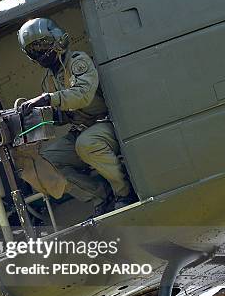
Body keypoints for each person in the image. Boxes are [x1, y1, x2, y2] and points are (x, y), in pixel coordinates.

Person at [16, 18, 136, 214]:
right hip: (81, 130)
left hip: (107, 124)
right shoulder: (48, 81)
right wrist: (33, 118)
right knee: (44, 162)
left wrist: (48, 99)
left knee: (86, 144)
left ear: (57, 39)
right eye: (34, 50)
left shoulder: (78, 61)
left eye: (43, 44)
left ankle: (125, 192)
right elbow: (64, 114)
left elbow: (83, 95)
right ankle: (100, 196)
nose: (41, 52)